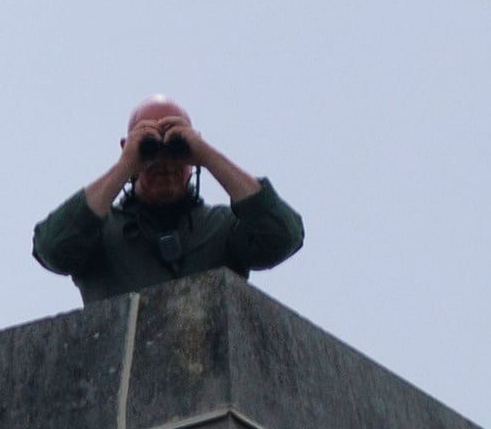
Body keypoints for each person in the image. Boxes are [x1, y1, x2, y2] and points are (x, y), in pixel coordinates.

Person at [31, 100, 302, 306]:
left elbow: (283, 236)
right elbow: (52, 248)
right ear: (127, 147)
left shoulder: (222, 229)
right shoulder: (101, 233)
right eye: (151, 151)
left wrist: (207, 155)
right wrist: (126, 165)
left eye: (176, 151)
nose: (165, 163)